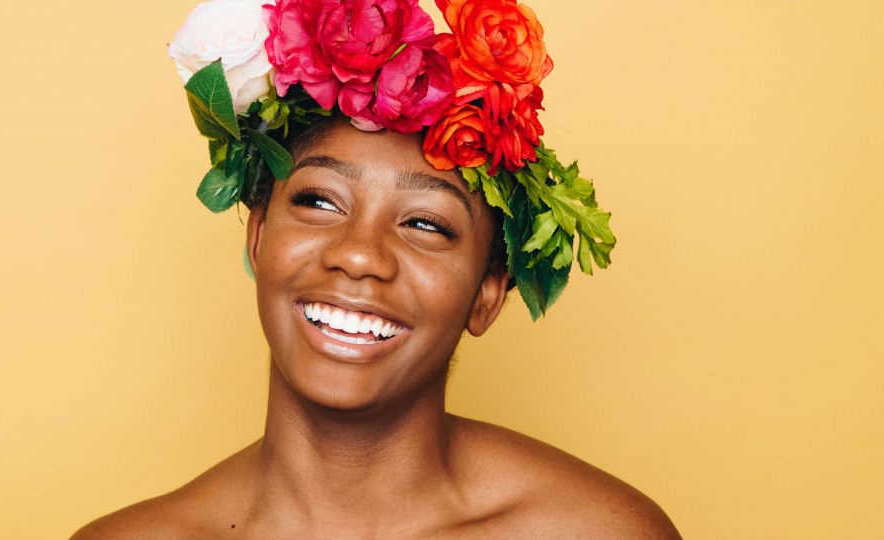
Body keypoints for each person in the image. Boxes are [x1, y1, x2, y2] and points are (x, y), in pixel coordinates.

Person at [73, 1, 681, 537]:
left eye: (426, 224)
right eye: (318, 201)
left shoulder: (598, 532)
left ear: (487, 296)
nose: (360, 254)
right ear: (258, 236)